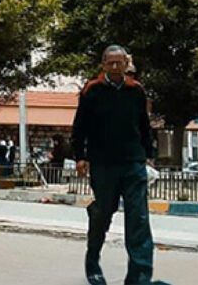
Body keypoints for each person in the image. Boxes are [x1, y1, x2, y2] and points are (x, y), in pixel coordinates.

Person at [72, 45, 168, 285]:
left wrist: (148, 153)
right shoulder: (91, 90)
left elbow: (144, 125)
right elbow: (79, 126)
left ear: (127, 64)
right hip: (103, 162)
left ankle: (139, 277)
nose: (115, 67)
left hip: (133, 161)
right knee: (104, 212)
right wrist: (80, 156)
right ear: (103, 65)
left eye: (119, 63)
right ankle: (92, 259)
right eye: (110, 63)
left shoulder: (135, 91)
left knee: (139, 219)